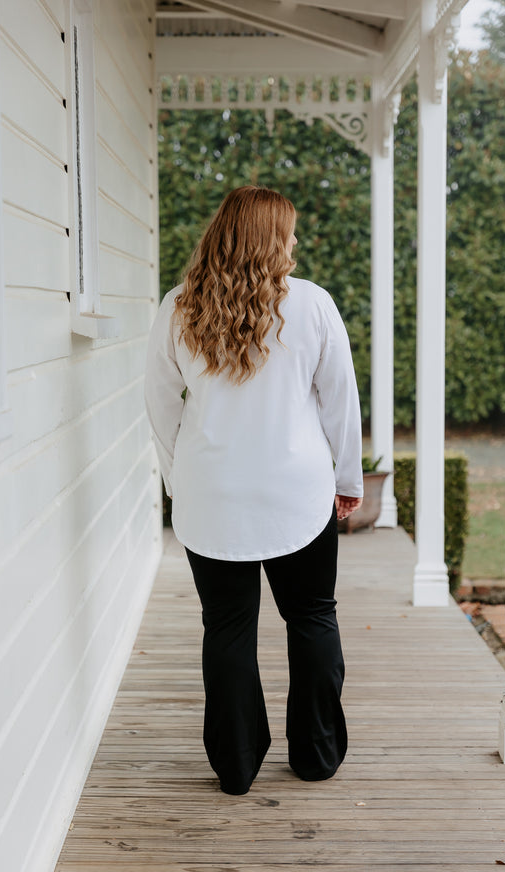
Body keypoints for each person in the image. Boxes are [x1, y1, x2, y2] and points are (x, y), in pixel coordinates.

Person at [144, 186, 363, 795]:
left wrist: (177, 479)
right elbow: (339, 402)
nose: (295, 243)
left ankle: (236, 766)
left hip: (210, 496)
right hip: (298, 494)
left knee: (227, 628)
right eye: (289, 232)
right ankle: (316, 754)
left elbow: (160, 407)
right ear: (270, 237)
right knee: (313, 617)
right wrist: (347, 479)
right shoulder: (314, 305)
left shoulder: (177, 307)